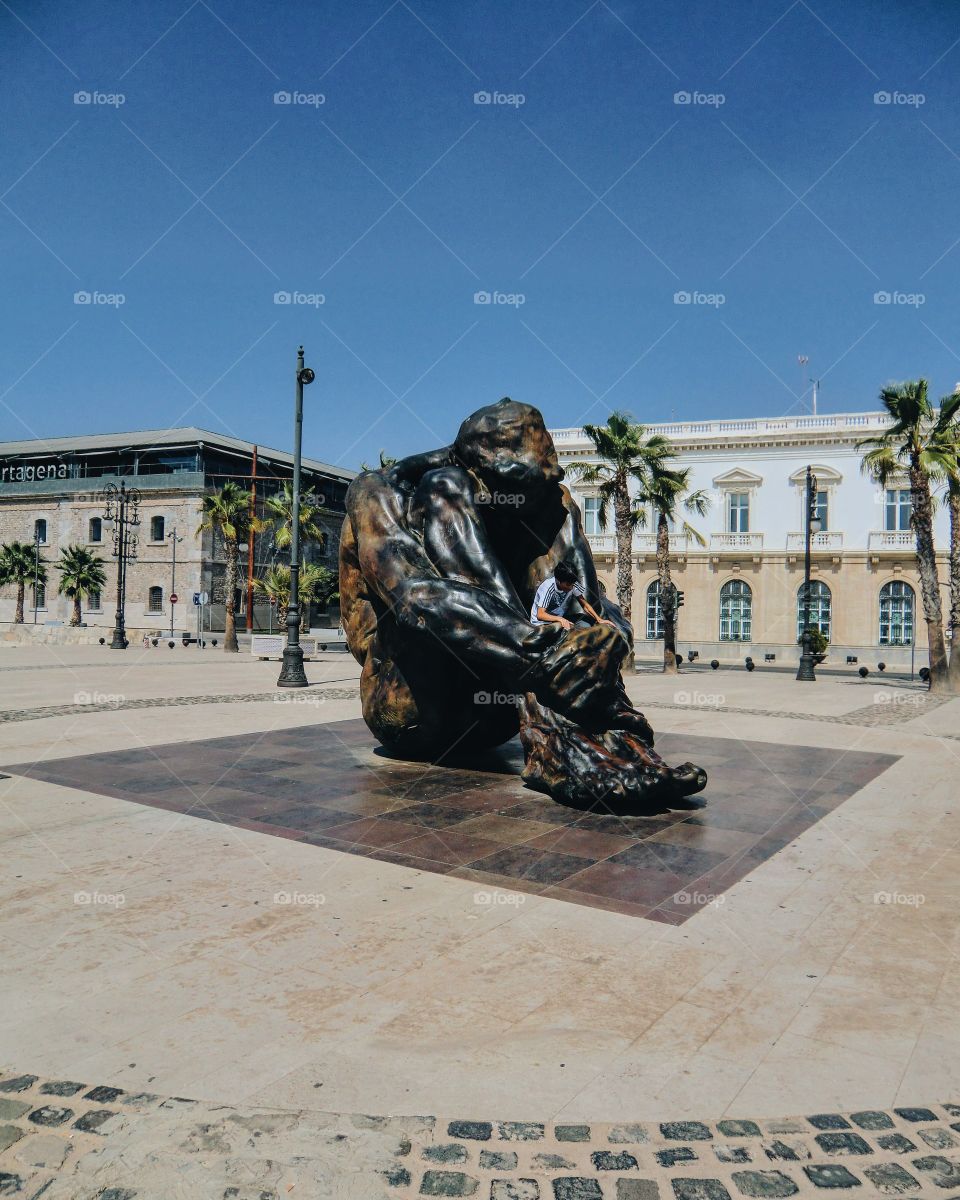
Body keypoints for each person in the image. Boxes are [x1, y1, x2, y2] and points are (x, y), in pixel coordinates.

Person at [531, 559, 613, 631]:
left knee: (586, 624)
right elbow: (540, 615)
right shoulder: (548, 587)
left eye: (572, 584)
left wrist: (599, 619)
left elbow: (585, 605)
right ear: (559, 581)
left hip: (559, 619)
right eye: (568, 584)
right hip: (542, 623)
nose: (571, 587)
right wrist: (560, 619)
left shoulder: (573, 584)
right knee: (570, 630)